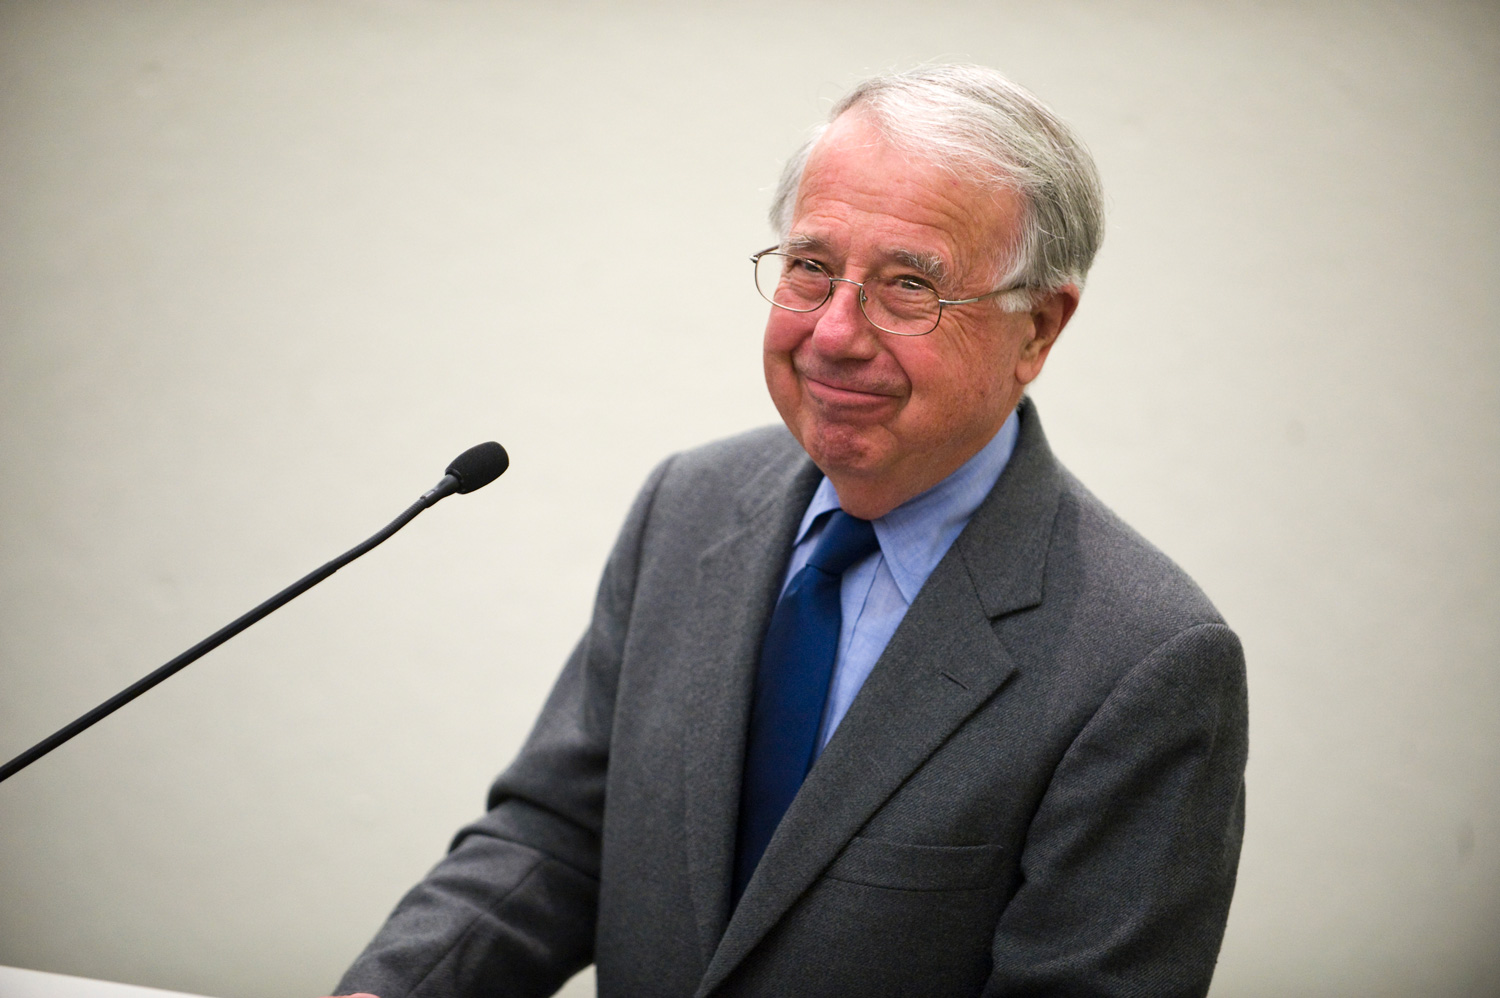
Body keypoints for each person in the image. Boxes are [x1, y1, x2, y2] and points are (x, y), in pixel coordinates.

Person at [334, 64, 1248, 998]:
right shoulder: (687, 507)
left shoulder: (1145, 662)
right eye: (811, 268)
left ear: (1038, 329)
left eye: (908, 286)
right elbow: (560, 835)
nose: (835, 334)